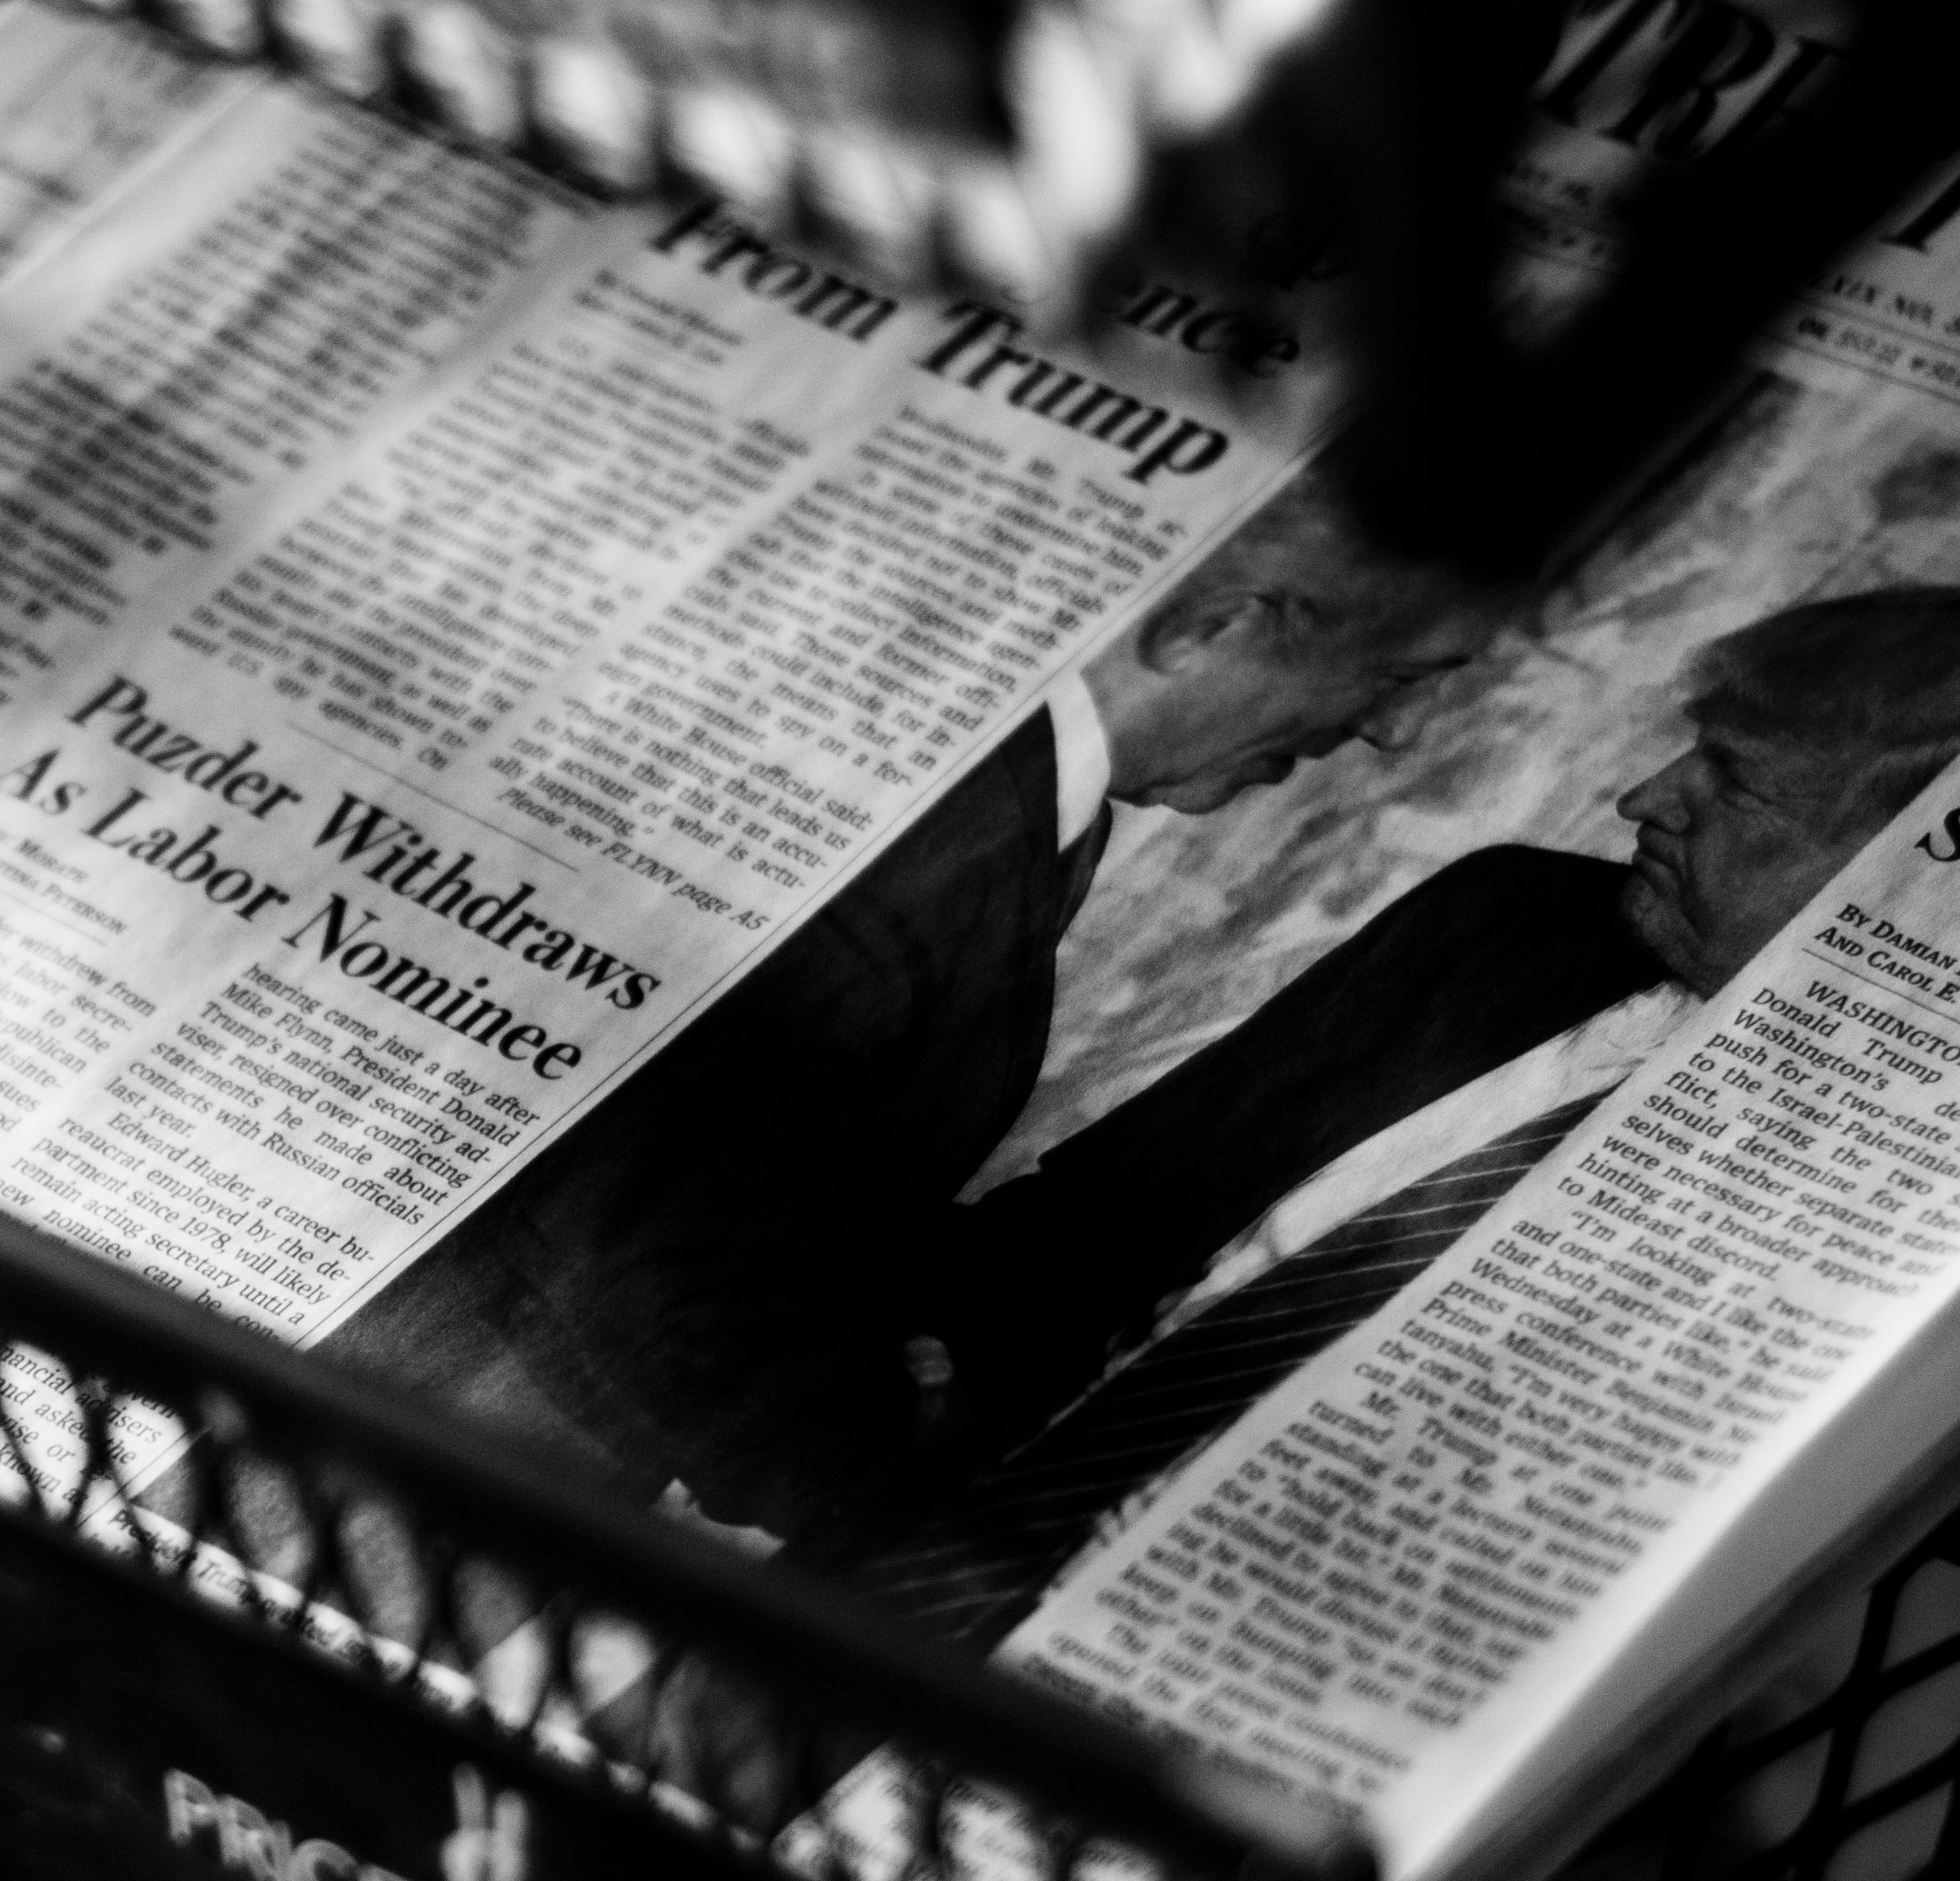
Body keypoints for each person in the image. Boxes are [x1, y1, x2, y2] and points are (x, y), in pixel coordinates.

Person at [326, 469, 1512, 1542]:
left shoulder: (1008, 788)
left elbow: (767, 1168)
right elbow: (646, 1259)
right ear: (1213, 626)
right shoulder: (936, 846)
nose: (1395, 733)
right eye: (1399, 675)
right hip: (430, 1464)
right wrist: (877, 1434)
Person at [854, 583, 1960, 1636]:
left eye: (1732, 776)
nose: (1645, 797)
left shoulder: (1901, 1191)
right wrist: (854, 1356)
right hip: (944, 1526)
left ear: (1904, 871)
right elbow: (1089, 1220)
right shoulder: (1505, 922)